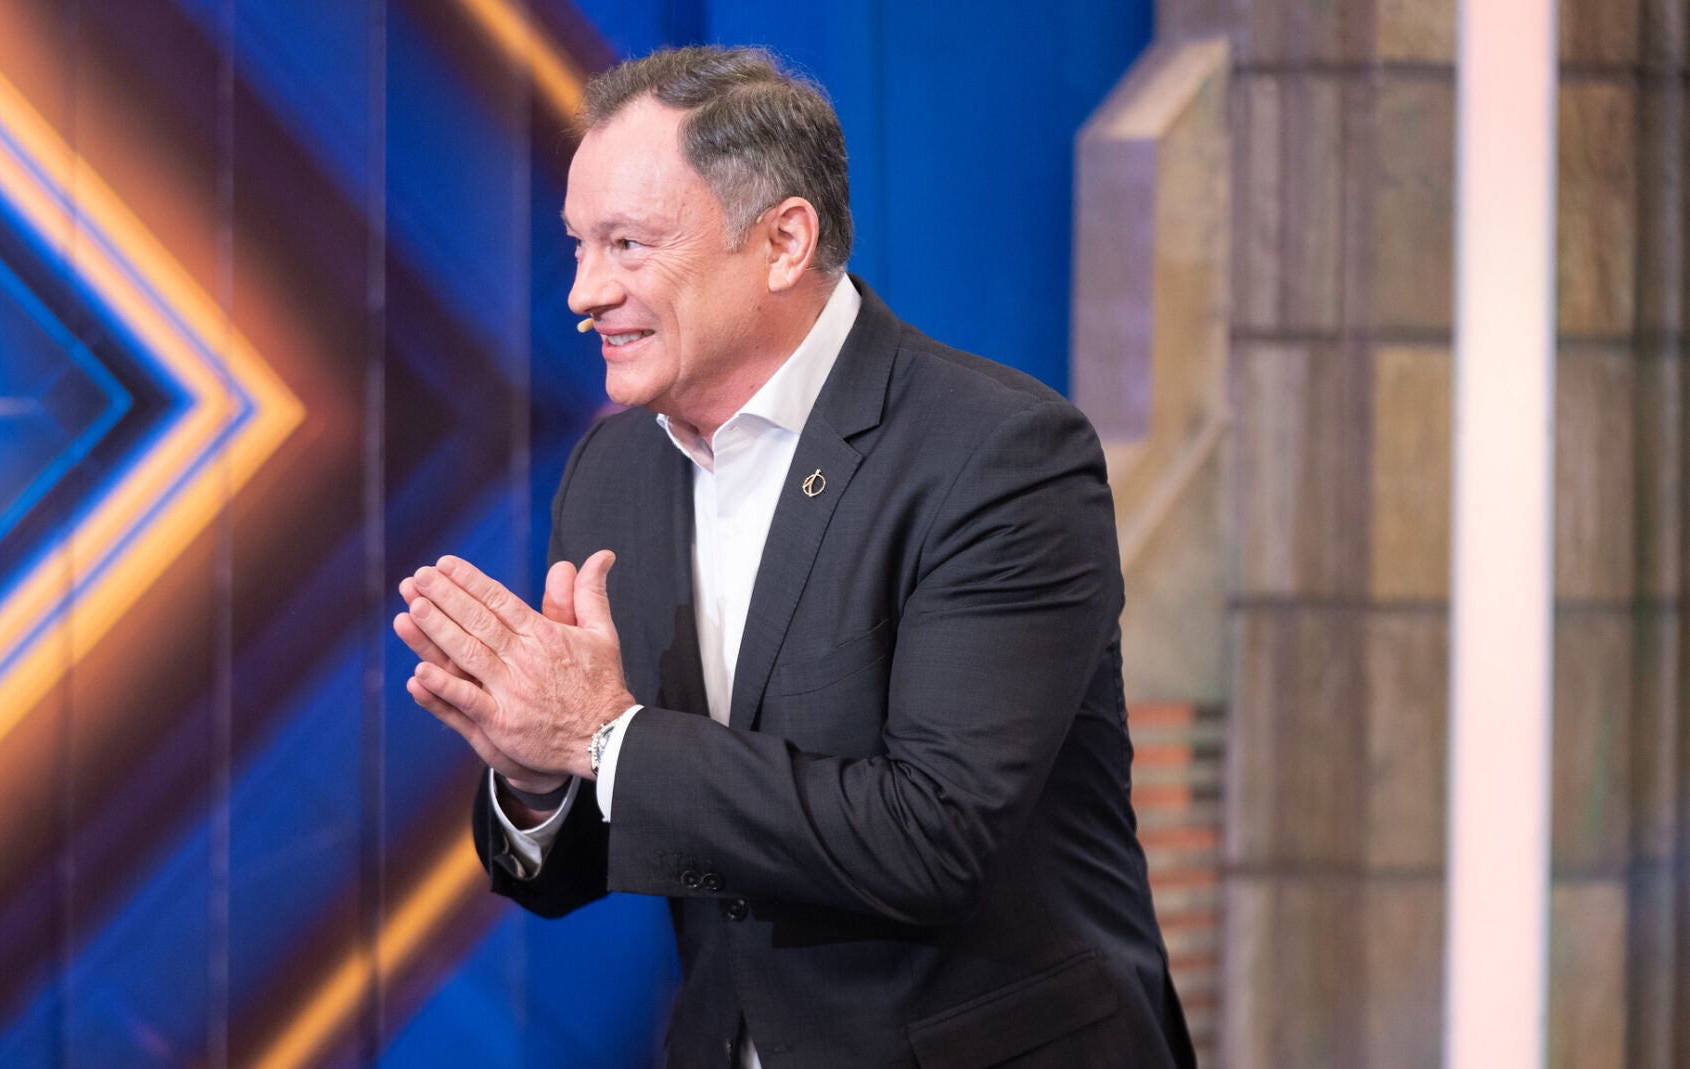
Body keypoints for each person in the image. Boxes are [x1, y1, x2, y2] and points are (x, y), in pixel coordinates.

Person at [393, 45, 1195, 1069]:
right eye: (579, 246)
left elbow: (932, 838)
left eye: (628, 244)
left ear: (782, 241)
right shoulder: (610, 471)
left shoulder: (998, 454)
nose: (584, 292)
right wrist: (537, 776)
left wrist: (600, 737)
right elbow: (611, 836)